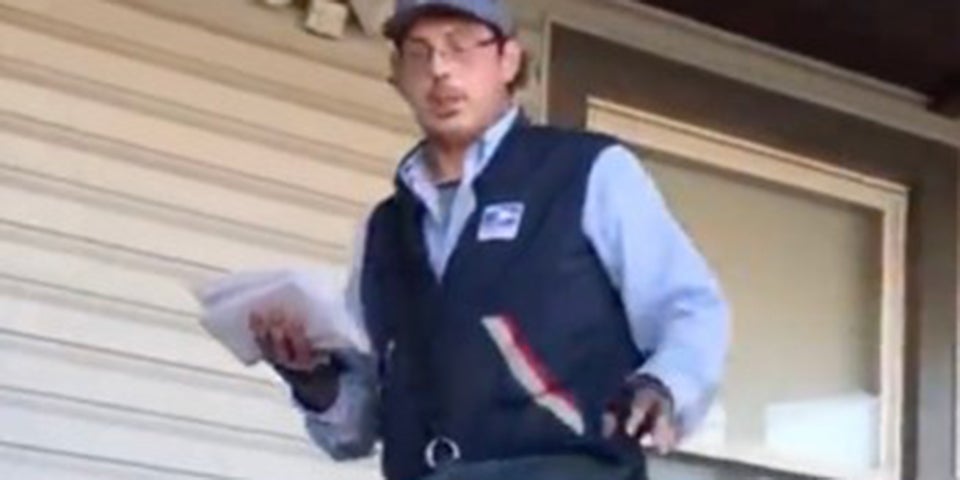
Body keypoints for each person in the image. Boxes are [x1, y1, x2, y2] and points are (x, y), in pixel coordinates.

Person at [249, 1, 729, 479]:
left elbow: (689, 308)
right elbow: (357, 429)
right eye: (419, 53)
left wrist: (664, 387)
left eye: (460, 46)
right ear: (396, 73)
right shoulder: (384, 231)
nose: (440, 69)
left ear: (508, 60)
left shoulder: (587, 172)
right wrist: (313, 380)